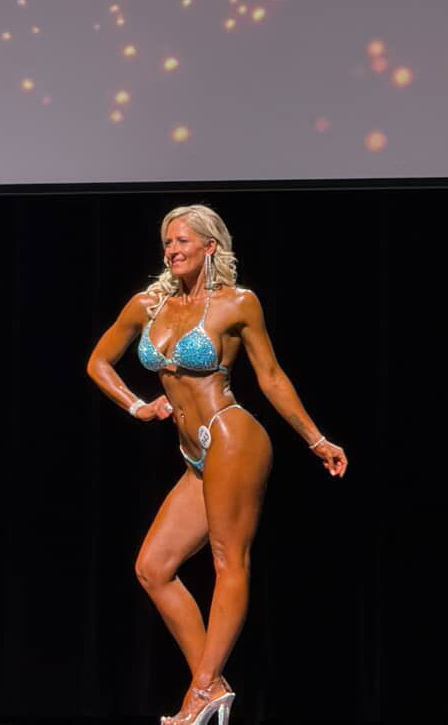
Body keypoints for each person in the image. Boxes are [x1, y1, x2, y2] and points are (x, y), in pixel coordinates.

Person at [87, 204, 348, 724]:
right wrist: (138, 406)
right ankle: (210, 685)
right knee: (153, 567)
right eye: (167, 242)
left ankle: (201, 689)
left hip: (232, 435)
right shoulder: (149, 305)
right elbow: (98, 361)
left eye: (182, 240)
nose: (172, 250)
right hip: (194, 455)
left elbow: (271, 377)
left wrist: (316, 439)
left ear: (210, 246)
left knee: (229, 562)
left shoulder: (237, 303)